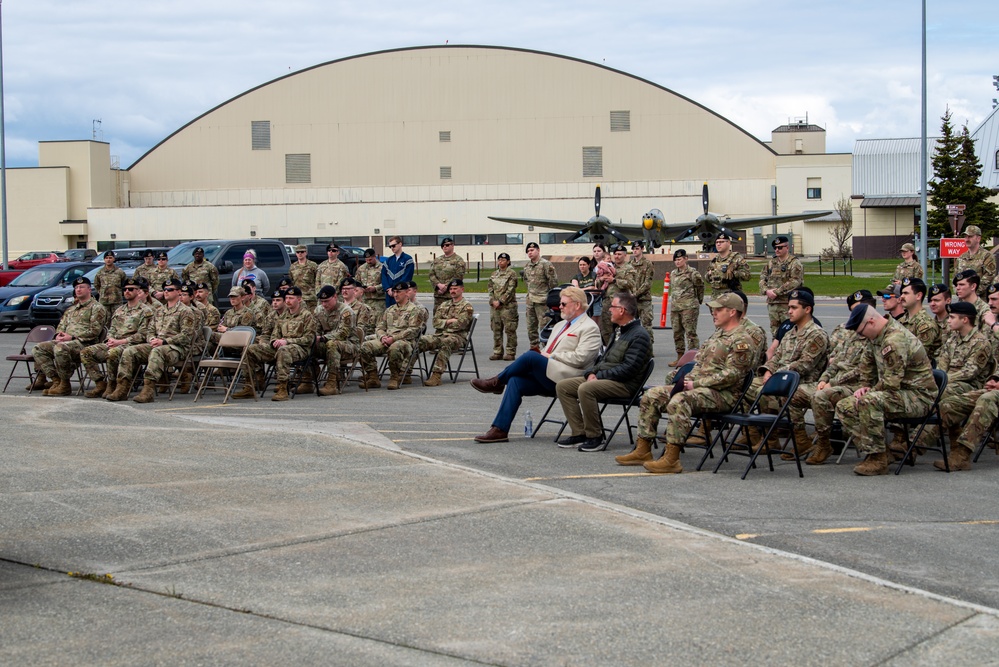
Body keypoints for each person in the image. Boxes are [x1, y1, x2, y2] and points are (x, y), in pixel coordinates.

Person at [619, 292, 756, 473]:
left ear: (732, 312)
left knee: (680, 400)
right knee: (652, 395)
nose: (714, 313)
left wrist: (696, 384)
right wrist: (688, 381)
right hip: (700, 389)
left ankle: (671, 459)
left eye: (718, 310)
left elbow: (732, 375)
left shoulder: (742, 340)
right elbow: (699, 365)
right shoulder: (717, 336)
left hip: (724, 395)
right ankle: (643, 449)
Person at [470, 286, 601, 443]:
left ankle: (496, 382)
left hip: (569, 378)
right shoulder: (560, 325)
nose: (560, 307)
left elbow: (583, 358)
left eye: (564, 304)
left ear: (577, 305)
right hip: (549, 375)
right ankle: (500, 429)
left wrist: (550, 356)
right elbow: (547, 351)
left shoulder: (590, 327)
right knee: (515, 381)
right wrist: (545, 355)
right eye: (560, 303)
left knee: (531, 357)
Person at [834, 305, 937, 476]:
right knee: (844, 406)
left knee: (869, 401)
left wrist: (869, 392)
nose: (861, 336)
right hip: (896, 394)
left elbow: (891, 382)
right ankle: (881, 452)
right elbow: (866, 365)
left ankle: (878, 460)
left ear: (871, 322)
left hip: (919, 397)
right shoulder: (876, 337)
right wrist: (864, 386)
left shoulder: (894, 339)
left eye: (861, 332)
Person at [555, 292, 652, 452]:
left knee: (586, 389)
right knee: (563, 386)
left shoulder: (639, 335)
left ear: (622, 310)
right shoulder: (620, 331)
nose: (609, 310)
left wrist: (598, 377)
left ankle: (595, 436)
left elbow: (629, 369)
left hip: (625, 384)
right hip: (607, 379)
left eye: (612, 307)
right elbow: (603, 360)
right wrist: (590, 373)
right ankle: (580, 433)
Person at [744, 288, 830, 458]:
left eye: (794, 307)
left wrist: (775, 376)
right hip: (780, 378)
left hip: (803, 381)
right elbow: (777, 357)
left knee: (766, 392)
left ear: (807, 309)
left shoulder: (816, 335)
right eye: (789, 307)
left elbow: (804, 365)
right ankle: (757, 434)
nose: (789, 311)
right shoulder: (790, 333)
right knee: (743, 385)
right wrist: (768, 370)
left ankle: (794, 440)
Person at [910, 300, 992, 465]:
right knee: (928, 393)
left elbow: (970, 372)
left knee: (941, 395)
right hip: (950, 382)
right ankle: (910, 442)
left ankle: (914, 445)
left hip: (970, 385)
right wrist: (937, 381)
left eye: (952, 317)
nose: (948, 320)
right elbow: (942, 366)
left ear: (965, 320)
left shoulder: (981, 343)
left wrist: (943, 382)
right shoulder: (952, 339)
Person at [807, 290, 879, 465]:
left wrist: (833, 382)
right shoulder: (851, 334)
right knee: (812, 392)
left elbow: (863, 371)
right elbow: (836, 361)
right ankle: (818, 441)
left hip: (858, 386)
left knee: (821, 396)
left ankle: (828, 442)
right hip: (838, 382)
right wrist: (824, 379)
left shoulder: (874, 336)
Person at [108, 278, 197, 404]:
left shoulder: (186, 311)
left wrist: (164, 342)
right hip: (156, 344)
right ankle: (122, 387)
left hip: (176, 348)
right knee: (129, 351)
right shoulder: (160, 311)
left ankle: (148, 390)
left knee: (157, 351)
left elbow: (186, 336)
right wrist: (152, 339)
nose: (166, 292)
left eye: (170, 290)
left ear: (178, 292)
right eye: (165, 290)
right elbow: (150, 330)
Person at [233, 286, 317, 401]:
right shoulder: (282, 316)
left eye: (291, 298)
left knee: (284, 350)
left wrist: (287, 341)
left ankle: (282, 387)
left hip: (300, 348)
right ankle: (249, 386)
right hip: (281, 346)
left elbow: (309, 339)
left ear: (299, 299)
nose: (287, 301)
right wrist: (274, 342)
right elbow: (274, 335)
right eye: (287, 298)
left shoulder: (306, 315)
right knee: (250, 349)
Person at [80, 277, 155, 399]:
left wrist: (121, 341)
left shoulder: (145, 311)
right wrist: (110, 340)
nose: (127, 292)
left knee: (113, 353)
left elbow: (144, 334)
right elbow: (112, 329)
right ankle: (100, 383)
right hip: (115, 343)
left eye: (131, 289)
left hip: (131, 344)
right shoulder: (120, 310)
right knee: (86, 352)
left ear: (138, 291)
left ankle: (116, 384)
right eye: (125, 289)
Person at [31, 276, 107, 396]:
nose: (78, 289)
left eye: (81, 287)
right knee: (39, 348)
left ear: (89, 289)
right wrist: (59, 335)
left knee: (60, 348)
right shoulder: (71, 309)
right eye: (76, 287)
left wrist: (72, 338)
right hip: (66, 342)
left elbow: (95, 331)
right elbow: (61, 325)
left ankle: (65, 384)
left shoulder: (97, 308)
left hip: (85, 343)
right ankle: (57, 380)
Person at [358, 280, 425, 390]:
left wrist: (393, 339)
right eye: (394, 292)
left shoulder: (415, 310)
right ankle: (373, 377)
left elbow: (413, 330)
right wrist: (382, 337)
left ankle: (395, 377)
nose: (396, 294)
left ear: (407, 292)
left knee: (395, 348)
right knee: (364, 347)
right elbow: (380, 327)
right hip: (386, 339)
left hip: (405, 341)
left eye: (399, 292)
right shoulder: (389, 310)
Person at [418, 279, 475, 386]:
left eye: (455, 289)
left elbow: (460, 325)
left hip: (457, 337)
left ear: (462, 289)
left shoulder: (467, 306)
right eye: (451, 289)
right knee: (420, 341)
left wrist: (443, 323)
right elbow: (435, 322)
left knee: (446, 342)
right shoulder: (444, 304)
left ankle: (436, 375)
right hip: (440, 335)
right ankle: (406, 372)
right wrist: (449, 321)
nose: (453, 291)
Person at [313, 284, 359, 396]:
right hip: (327, 343)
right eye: (322, 301)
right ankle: (309, 378)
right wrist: (315, 338)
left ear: (335, 297)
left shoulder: (346, 311)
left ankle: (332, 383)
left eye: (327, 301)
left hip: (349, 345)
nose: (324, 304)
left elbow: (343, 334)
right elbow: (315, 329)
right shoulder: (319, 310)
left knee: (332, 344)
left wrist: (323, 338)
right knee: (309, 343)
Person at [759, 235, 803, 336]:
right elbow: (762, 278)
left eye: (780, 247)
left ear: (787, 248)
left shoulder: (794, 263)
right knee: (775, 333)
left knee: (789, 332)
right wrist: (766, 290)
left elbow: (795, 281)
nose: (777, 250)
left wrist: (776, 292)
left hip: (787, 304)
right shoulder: (771, 263)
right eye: (775, 248)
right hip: (773, 304)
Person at [668, 249, 704, 366]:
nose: (677, 262)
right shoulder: (673, 273)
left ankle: (693, 358)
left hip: (689, 307)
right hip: (675, 307)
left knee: (690, 333)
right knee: (677, 333)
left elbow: (700, 287)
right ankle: (680, 357)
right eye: (676, 260)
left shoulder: (693, 273)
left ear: (686, 259)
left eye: (679, 259)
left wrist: (697, 301)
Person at [522, 241, 559, 352]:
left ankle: (546, 349)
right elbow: (526, 281)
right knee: (531, 327)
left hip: (542, 301)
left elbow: (553, 282)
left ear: (538, 250)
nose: (530, 252)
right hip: (531, 301)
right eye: (528, 251)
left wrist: (548, 296)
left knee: (544, 326)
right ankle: (534, 348)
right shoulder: (527, 266)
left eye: (532, 250)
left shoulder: (546, 264)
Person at [897, 277, 940, 358]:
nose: (901, 296)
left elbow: (917, 355)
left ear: (918, 296)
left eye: (906, 293)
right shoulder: (901, 320)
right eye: (902, 293)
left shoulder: (926, 324)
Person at [489, 252, 519, 361]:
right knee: (496, 329)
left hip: (508, 307)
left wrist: (501, 301)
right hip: (495, 307)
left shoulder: (512, 274)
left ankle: (510, 352)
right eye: (499, 259)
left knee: (510, 330)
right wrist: (492, 300)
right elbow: (490, 288)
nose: (501, 261)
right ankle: (498, 352)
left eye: (503, 260)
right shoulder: (494, 274)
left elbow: (511, 289)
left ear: (508, 262)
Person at [428, 237, 467, 317]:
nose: (445, 247)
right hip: (439, 296)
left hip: (451, 296)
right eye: (443, 246)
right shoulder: (437, 260)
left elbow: (459, 276)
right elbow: (431, 274)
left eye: (447, 245)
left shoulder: (458, 260)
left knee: (450, 318)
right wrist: (438, 285)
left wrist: (446, 287)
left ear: (452, 245)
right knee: (438, 318)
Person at [956, 225, 996, 298]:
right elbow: (956, 278)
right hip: (963, 301)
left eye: (970, 237)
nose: (967, 239)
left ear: (978, 238)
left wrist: (971, 293)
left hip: (980, 301)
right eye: (965, 236)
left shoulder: (987, 256)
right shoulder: (961, 257)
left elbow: (988, 278)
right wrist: (959, 291)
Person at [705, 233, 751, 297]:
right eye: (717, 242)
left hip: (731, 296)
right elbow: (707, 278)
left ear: (728, 243)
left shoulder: (737, 258)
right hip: (716, 297)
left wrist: (733, 273)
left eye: (721, 242)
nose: (718, 244)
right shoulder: (714, 260)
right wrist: (709, 274)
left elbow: (747, 276)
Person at [630, 241, 655, 341]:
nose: (635, 251)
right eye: (633, 249)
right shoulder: (630, 264)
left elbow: (647, 283)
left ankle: (649, 351)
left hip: (644, 300)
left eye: (637, 249)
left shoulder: (648, 264)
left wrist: (635, 294)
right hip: (632, 301)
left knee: (646, 326)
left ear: (642, 249)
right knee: (631, 327)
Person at [381, 236, 415, 308]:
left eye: (393, 245)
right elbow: (383, 275)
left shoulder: (408, 259)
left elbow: (407, 276)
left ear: (400, 244)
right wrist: (388, 289)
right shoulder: (388, 261)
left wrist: (395, 289)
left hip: (401, 293)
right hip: (389, 294)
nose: (392, 248)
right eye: (390, 246)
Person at [355, 248, 386, 317]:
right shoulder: (361, 268)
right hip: (365, 300)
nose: (368, 262)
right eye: (366, 260)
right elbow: (357, 282)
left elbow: (386, 283)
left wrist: (375, 288)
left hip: (378, 301)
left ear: (375, 257)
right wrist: (361, 288)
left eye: (370, 260)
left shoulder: (383, 268)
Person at [289, 244, 319, 311]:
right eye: (298, 252)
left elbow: (317, 280)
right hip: (298, 298)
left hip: (310, 298)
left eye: (302, 252)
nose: (300, 254)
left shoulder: (313, 265)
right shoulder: (293, 267)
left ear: (306, 253)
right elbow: (291, 281)